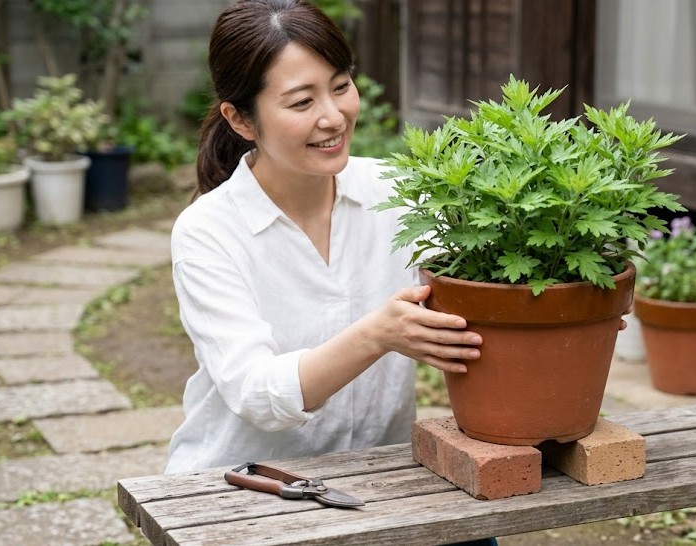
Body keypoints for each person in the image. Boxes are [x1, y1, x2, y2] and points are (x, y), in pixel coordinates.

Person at [165, 0, 483, 477]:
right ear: (241, 120)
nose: (334, 117)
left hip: (381, 479)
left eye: (341, 86)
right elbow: (257, 393)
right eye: (302, 102)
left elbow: (483, 280)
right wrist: (376, 335)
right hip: (243, 487)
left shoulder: (396, 191)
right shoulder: (208, 232)